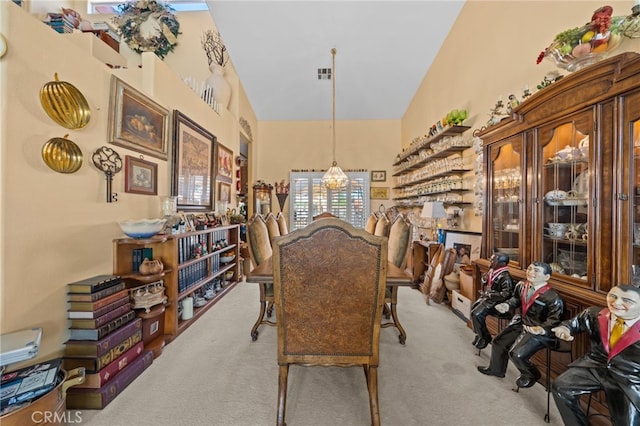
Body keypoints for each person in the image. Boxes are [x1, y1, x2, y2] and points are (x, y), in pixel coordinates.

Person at [551, 284, 640, 426]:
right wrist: (565, 329)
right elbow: (573, 324)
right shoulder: (595, 314)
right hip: (594, 366)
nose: (616, 303)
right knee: (560, 387)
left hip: (629, 378)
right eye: (613, 296)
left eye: (627, 301)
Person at [477, 261, 564, 388]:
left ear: (547, 277)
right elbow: (516, 299)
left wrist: (541, 329)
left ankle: (532, 374)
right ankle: (496, 369)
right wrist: (507, 305)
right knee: (498, 342)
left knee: (516, 354)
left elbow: (555, 320)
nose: (531, 272)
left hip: (540, 330)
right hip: (521, 321)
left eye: (536, 271)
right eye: (530, 269)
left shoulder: (553, 297)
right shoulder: (522, 285)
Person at [471, 253, 515, 349]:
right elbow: (487, 282)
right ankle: (480, 333)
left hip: (496, 302)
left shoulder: (505, 277)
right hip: (488, 298)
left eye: (493, 260)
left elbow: (506, 294)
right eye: (491, 259)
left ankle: (485, 337)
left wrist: (490, 295)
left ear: (502, 263)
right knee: (473, 308)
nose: (490, 262)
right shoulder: (492, 271)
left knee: (476, 314)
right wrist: (484, 279)